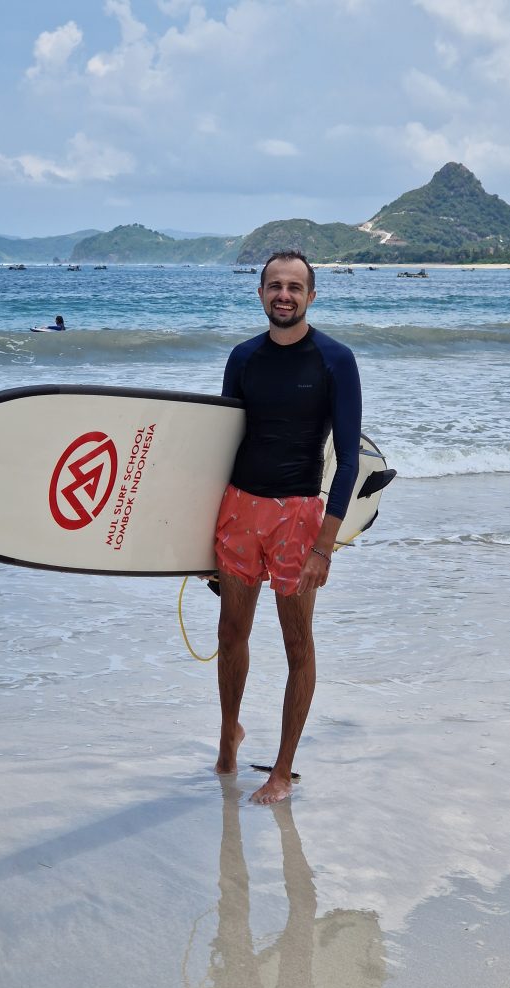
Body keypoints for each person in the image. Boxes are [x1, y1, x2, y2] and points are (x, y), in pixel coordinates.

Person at [214, 250, 362, 804]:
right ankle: (230, 732)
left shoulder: (335, 360)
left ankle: (281, 769)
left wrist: (325, 546)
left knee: (297, 643)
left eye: (295, 287)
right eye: (274, 285)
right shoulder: (243, 358)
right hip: (239, 508)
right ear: (260, 294)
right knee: (231, 634)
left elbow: (347, 459)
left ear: (311, 296)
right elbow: (218, 443)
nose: (284, 294)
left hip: (299, 516)